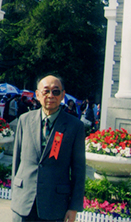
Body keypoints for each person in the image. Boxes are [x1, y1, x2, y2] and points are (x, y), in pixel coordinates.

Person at [11, 74, 86, 222]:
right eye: (46, 91)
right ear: (37, 94)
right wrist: (15, 194)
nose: (51, 96)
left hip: (55, 205)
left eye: (56, 91)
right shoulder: (24, 120)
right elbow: (16, 160)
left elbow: (79, 170)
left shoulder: (75, 126)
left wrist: (74, 207)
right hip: (24, 201)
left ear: (63, 95)